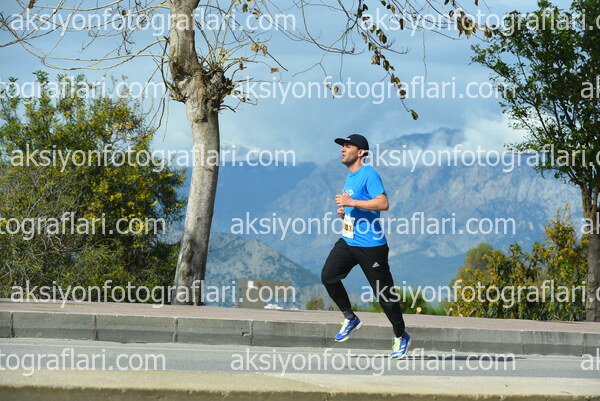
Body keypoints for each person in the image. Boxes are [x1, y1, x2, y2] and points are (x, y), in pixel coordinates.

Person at [321, 134, 410, 359]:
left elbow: (383, 203)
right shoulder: (350, 177)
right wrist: (346, 213)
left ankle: (401, 335)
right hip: (348, 240)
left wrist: (351, 202)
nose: (342, 149)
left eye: (347, 146)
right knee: (328, 276)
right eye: (342, 146)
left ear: (360, 152)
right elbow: (361, 207)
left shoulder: (369, 174)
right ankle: (350, 318)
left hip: (371, 246)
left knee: (384, 294)